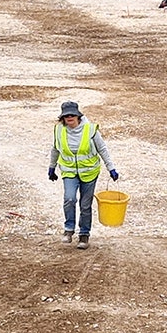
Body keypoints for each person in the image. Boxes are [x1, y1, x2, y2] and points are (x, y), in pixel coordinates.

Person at [48, 101, 118, 249]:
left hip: (89, 172)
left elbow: (102, 149)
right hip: (69, 171)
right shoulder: (59, 130)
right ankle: (69, 229)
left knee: (85, 205)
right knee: (69, 198)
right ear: (63, 118)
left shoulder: (90, 129)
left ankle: (84, 234)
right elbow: (55, 149)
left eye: (72, 114)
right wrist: (52, 167)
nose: (69, 117)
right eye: (66, 115)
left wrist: (111, 168)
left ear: (78, 116)